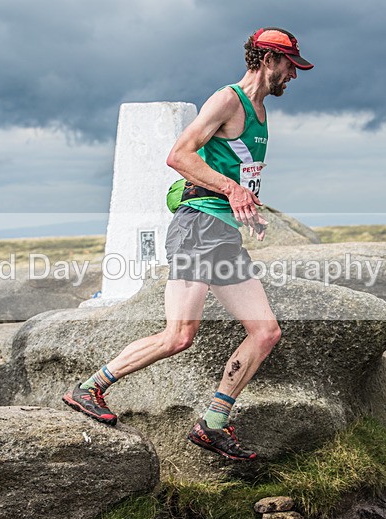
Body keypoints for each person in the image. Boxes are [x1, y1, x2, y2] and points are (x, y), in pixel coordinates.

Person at [63, 27, 313, 460]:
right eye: (291, 65)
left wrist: (247, 208)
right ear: (269, 59)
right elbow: (179, 155)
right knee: (179, 336)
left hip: (222, 235)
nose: (294, 74)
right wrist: (232, 193)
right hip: (197, 227)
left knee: (265, 332)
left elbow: (236, 171)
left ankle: (213, 422)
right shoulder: (228, 99)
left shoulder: (259, 110)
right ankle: (89, 389)